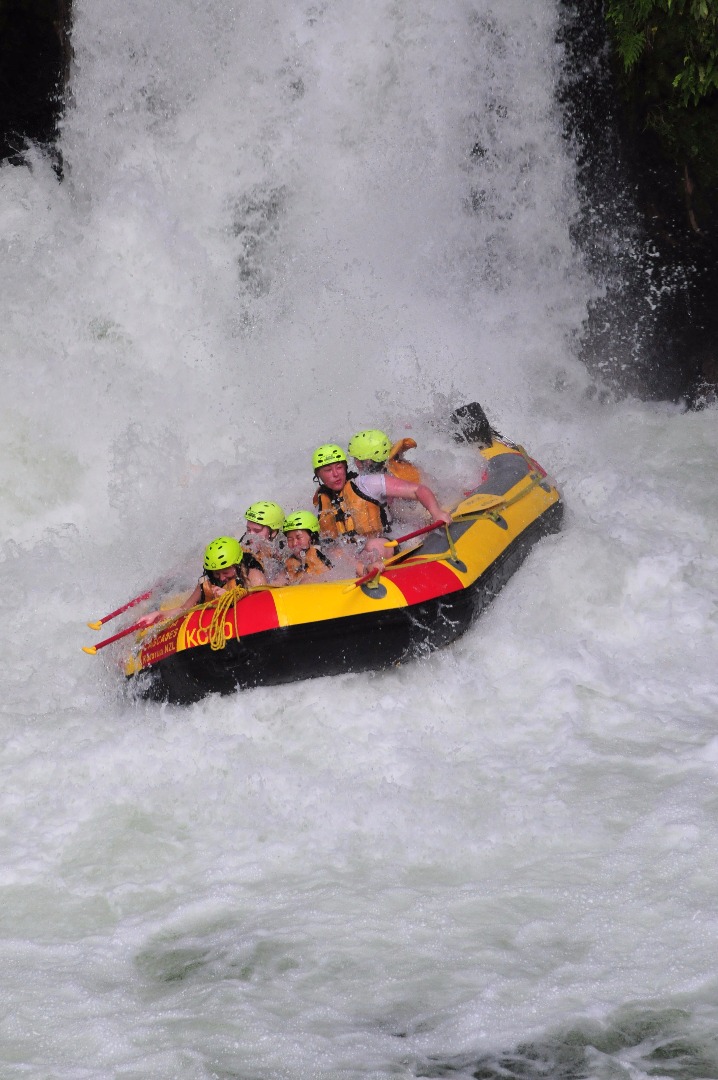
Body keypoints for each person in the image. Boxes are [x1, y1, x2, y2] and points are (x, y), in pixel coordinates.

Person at [312, 434, 452, 547]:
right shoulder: (322, 502)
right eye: (328, 470)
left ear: (346, 467)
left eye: (339, 467)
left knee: (373, 545)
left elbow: (418, 490)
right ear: (318, 475)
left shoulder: (366, 483)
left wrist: (436, 512)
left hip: (388, 543)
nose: (336, 474)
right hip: (356, 555)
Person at [136, 536, 266, 628]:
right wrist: (159, 614)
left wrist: (229, 597)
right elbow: (184, 609)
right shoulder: (206, 583)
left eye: (226, 572)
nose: (221, 578)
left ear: (237, 566)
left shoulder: (254, 576)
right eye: (217, 573)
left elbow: (261, 606)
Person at [241, 500, 286, 583]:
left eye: (257, 531)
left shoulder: (286, 549)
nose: (250, 535)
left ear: (273, 532)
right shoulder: (243, 550)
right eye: (248, 529)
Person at [281, 511, 333, 583]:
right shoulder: (290, 562)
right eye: (290, 539)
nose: (294, 543)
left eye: (299, 538)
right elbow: (277, 582)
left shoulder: (324, 554)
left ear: (312, 537)